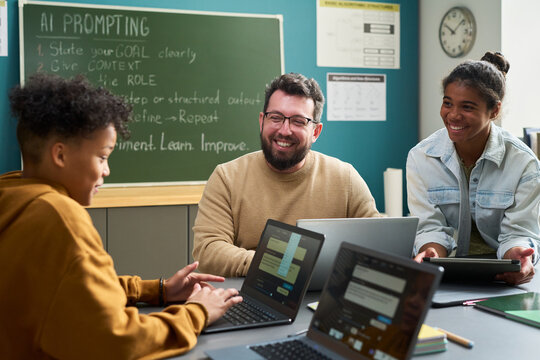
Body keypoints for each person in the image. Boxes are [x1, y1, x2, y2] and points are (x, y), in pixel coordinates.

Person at [0, 73, 242, 359]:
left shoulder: (12, 191)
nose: (107, 171)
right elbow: (117, 340)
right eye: (102, 157)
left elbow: (73, 290)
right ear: (60, 156)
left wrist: (158, 290)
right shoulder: (59, 216)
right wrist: (197, 312)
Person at [193, 72, 380, 277]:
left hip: (319, 299)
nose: (285, 130)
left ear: (315, 132)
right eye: (276, 117)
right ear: (262, 120)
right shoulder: (226, 177)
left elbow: (376, 244)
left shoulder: (346, 179)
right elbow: (207, 250)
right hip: (249, 294)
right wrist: (277, 265)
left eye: (298, 121)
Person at [407, 51, 540, 285]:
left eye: (467, 107)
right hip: (446, 276)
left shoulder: (523, 163)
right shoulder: (421, 157)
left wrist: (518, 256)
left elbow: (519, 232)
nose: (453, 115)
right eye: (447, 103)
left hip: (503, 279)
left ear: (495, 111)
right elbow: (430, 227)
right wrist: (431, 251)